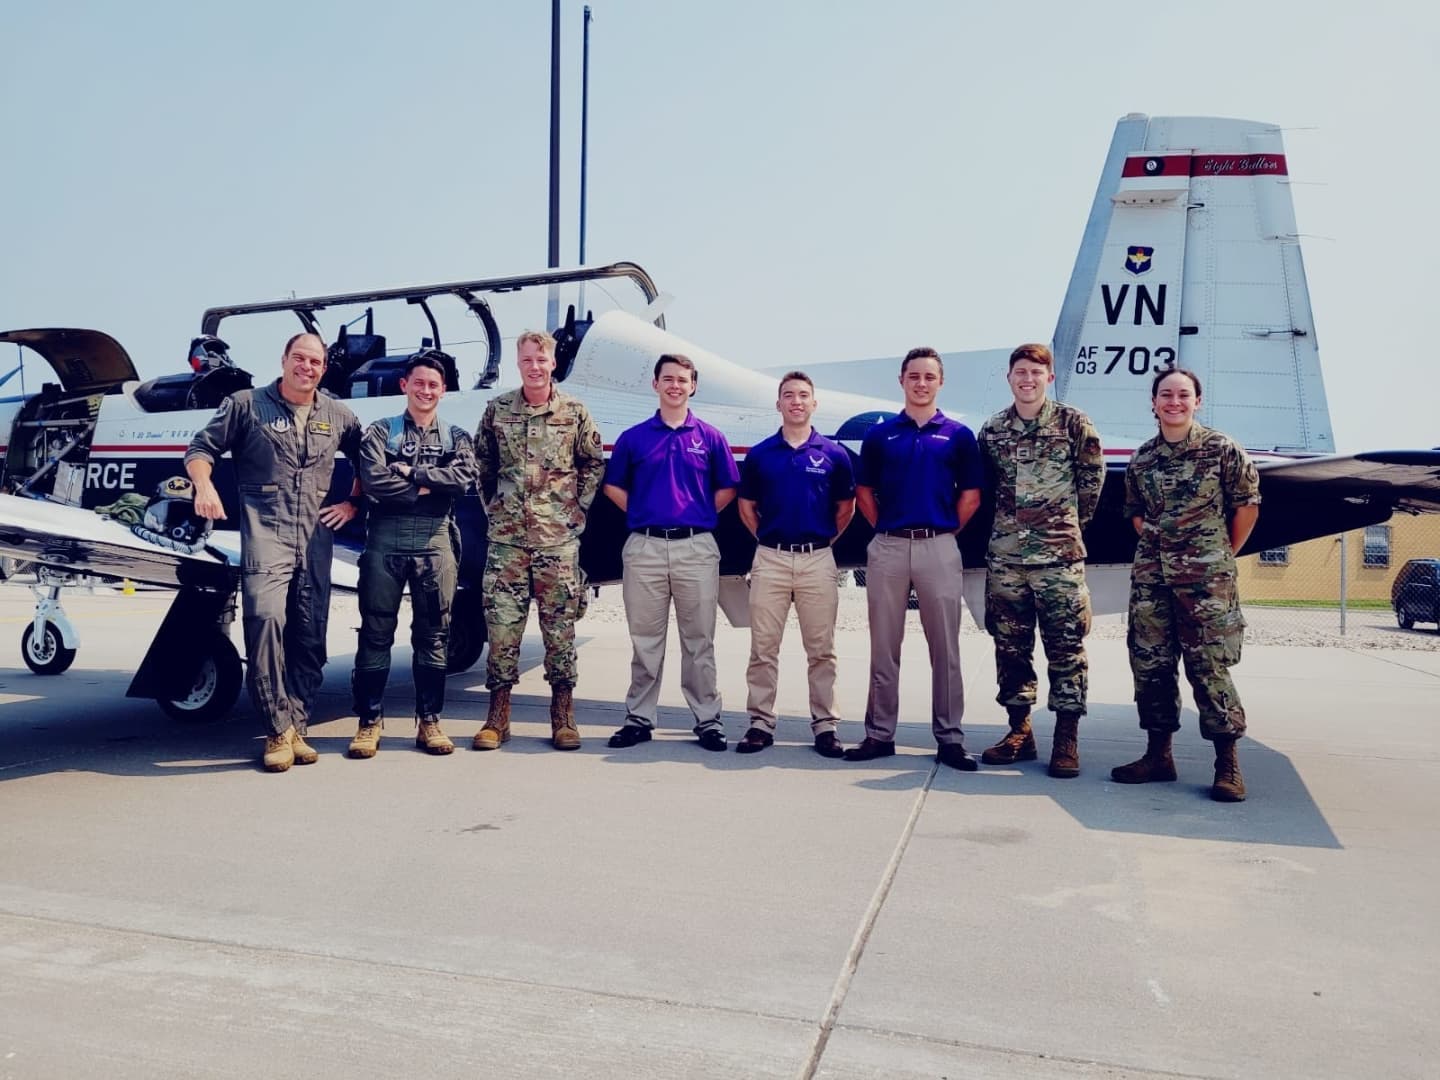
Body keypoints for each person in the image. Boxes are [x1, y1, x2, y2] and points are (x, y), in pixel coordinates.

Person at [186, 332, 362, 772]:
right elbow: (200, 449)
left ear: (323, 368)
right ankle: (277, 730)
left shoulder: (338, 414)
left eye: (316, 361)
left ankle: (296, 727)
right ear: (284, 360)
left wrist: (352, 502)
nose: (307, 367)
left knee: (310, 634)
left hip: (316, 536)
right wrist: (203, 486)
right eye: (299, 358)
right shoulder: (245, 404)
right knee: (265, 619)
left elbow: (368, 462)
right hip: (267, 531)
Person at [1112, 367, 1260, 802]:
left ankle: (1227, 763)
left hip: (1206, 581)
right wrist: (1163, 548)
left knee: (1208, 667)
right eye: (1165, 395)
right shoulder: (1142, 458)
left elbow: (1246, 508)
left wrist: (1216, 555)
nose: (1173, 402)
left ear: (1197, 401)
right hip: (1152, 581)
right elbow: (1136, 514)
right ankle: (1159, 755)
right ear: (1153, 403)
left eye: (1182, 395)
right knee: (1151, 665)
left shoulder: (1222, 450)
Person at [845, 347, 984, 769]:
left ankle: (949, 737)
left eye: (929, 377)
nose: (921, 383)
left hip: (938, 546)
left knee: (945, 648)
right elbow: (864, 493)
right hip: (888, 545)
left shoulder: (958, 435)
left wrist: (941, 533)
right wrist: (888, 529)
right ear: (902, 381)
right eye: (914, 377)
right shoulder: (880, 435)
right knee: (884, 646)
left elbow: (971, 496)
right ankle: (879, 734)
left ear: (940, 382)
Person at [473, 330, 605, 751]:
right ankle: (498, 717)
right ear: (519, 363)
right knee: (502, 629)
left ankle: (563, 716)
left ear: (552, 364)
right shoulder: (497, 410)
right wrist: (495, 508)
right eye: (527, 359)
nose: (535, 366)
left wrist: (575, 510)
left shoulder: (575, 412)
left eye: (541, 359)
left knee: (560, 630)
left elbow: (592, 464)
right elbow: (482, 465)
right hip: (508, 542)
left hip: (557, 542)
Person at [602, 354, 740, 752]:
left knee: (699, 639)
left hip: (696, 547)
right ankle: (639, 718)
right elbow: (613, 485)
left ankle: (708, 719)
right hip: (644, 547)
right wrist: (644, 513)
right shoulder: (635, 437)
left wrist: (697, 515)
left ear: (692, 386)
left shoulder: (710, 436)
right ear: (655, 385)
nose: (675, 386)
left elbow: (728, 486)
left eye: (682, 380)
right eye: (668, 379)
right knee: (646, 639)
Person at [977, 344, 1103, 777]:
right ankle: (1019, 732)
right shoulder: (992, 430)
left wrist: (1064, 529)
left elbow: (1091, 483)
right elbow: (987, 489)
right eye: (1019, 372)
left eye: (1035, 372)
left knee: (1066, 648)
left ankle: (1066, 738)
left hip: (1059, 561)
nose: (1026, 379)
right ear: (1009, 378)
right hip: (1007, 561)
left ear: (1049, 377)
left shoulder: (1073, 423)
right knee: (1010, 648)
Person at [348, 351, 478, 759]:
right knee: (375, 632)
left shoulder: (457, 435)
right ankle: (369, 722)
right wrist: (425, 489)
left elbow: (465, 478)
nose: (426, 390)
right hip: (385, 537)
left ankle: (429, 721)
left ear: (443, 391)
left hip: (436, 539)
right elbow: (372, 480)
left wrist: (414, 474)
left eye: (433, 385)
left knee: (434, 634)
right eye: (418, 383)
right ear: (405, 385)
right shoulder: (379, 432)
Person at [735, 371, 856, 757]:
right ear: (779, 404)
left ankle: (825, 725)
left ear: (813, 404)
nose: (796, 402)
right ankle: (760, 723)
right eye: (789, 395)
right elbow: (746, 507)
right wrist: (769, 542)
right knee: (763, 647)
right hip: (770, 557)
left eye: (804, 395)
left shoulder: (834, 455)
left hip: (817, 559)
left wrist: (820, 543)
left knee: (821, 649)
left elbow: (845, 508)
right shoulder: (760, 455)